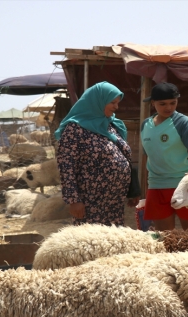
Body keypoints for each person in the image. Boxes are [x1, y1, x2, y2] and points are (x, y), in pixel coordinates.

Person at [55, 81, 139, 226]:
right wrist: (74, 200)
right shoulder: (75, 129)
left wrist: (132, 189)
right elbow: (66, 166)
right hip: (90, 202)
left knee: (113, 240)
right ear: (98, 101)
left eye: (117, 103)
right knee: (92, 242)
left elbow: (124, 157)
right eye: (112, 102)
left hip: (115, 201)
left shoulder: (111, 125)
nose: (116, 107)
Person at [141, 83, 188, 231]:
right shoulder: (146, 125)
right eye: (162, 104)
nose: (168, 107)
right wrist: (144, 188)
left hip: (183, 184)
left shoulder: (183, 122)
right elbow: (146, 156)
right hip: (156, 185)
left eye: (173, 103)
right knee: (164, 236)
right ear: (152, 103)